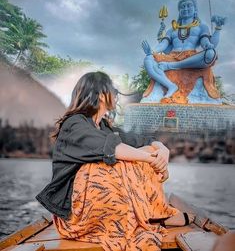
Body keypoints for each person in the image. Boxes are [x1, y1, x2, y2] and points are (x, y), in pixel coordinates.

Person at [36, 71, 194, 251]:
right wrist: (151, 159)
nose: (117, 95)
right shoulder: (74, 124)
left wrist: (160, 149)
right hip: (75, 217)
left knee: (146, 151)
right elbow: (112, 148)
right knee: (109, 165)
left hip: (98, 209)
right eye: (114, 90)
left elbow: (139, 140)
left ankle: (158, 214)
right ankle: (130, 221)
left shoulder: (103, 127)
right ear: (102, 95)